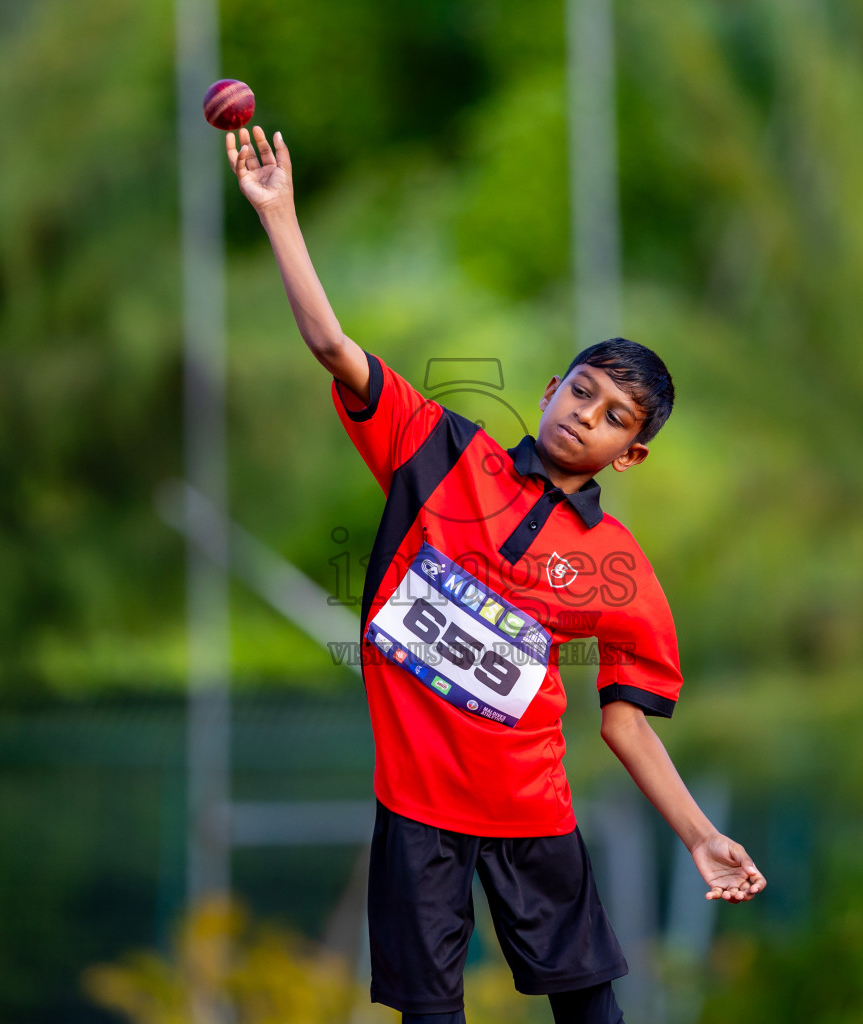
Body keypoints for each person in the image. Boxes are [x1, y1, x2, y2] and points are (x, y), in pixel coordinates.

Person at [226, 125, 765, 1024]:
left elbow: (626, 727)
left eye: (616, 416)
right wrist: (279, 213)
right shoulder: (435, 449)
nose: (589, 415)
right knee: (429, 1017)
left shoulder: (620, 570)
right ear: (552, 386)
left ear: (630, 455)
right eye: (583, 390)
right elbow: (330, 344)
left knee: (591, 1013)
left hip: (532, 815)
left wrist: (702, 837)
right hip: (415, 810)